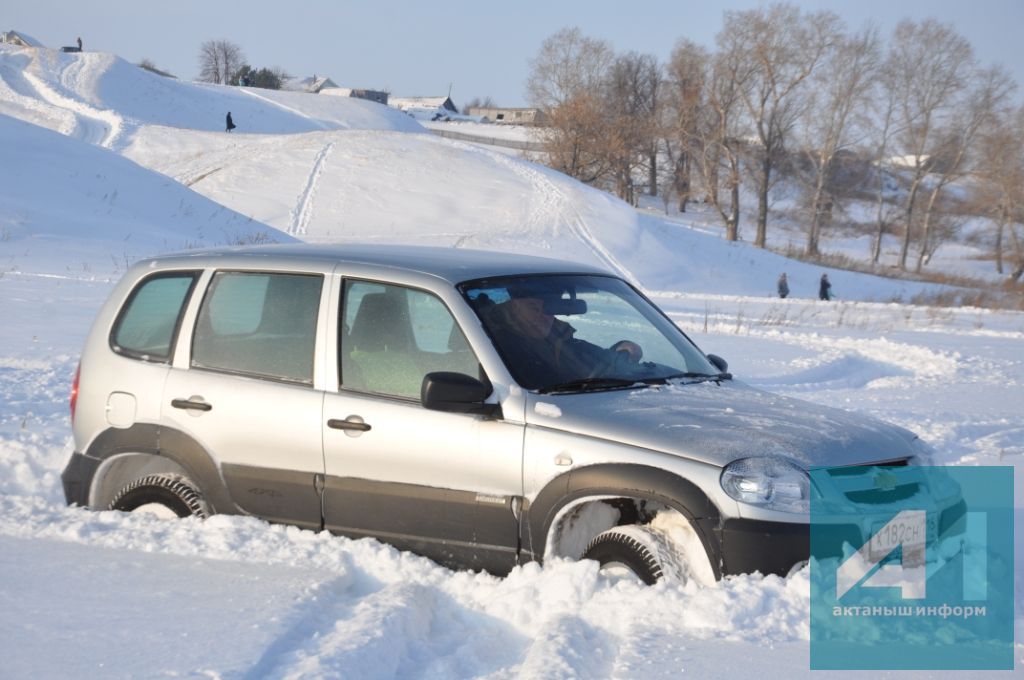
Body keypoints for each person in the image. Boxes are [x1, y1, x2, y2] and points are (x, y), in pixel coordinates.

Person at [484, 288, 642, 389]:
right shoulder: (489, 345)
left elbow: (586, 357)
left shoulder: (560, 340)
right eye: (534, 307)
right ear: (514, 307)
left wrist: (619, 351)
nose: (545, 316)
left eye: (551, 308)